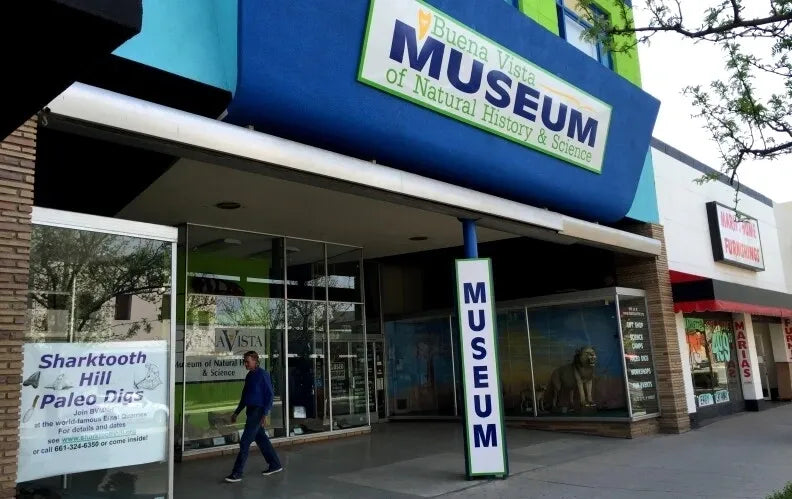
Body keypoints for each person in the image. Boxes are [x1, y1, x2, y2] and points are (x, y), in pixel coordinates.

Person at [224, 351, 283, 483]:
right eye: (244, 361)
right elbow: (245, 397)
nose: (245, 363)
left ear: (255, 361)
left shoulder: (263, 375)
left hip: (258, 412)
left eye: (247, 361)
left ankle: (237, 473)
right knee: (262, 439)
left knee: (245, 442)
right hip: (250, 411)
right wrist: (236, 412)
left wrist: (265, 413)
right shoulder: (249, 376)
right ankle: (275, 464)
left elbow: (269, 395)